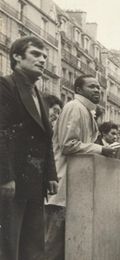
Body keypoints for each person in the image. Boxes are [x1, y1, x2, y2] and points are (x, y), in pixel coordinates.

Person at [45, 75, 116, 260]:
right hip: (60, 189)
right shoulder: (75, 108)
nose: (97, 91)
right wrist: (101, 149)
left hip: (71, 189)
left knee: (59, 247)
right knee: (51, 246)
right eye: (91, 87)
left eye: (99, 88)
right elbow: (68, 144)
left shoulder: (84, 110)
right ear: (78, 89)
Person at [0, 36, 58, 260]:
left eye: (44, 55)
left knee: (33, 246)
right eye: (35, 54)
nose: (43, 60)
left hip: (35, 181)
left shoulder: (40, 96)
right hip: (12, 180)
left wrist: (51, 174)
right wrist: (4, 177)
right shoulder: (5, 85)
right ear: (16, 56)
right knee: (8, 247)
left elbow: (46, 138)